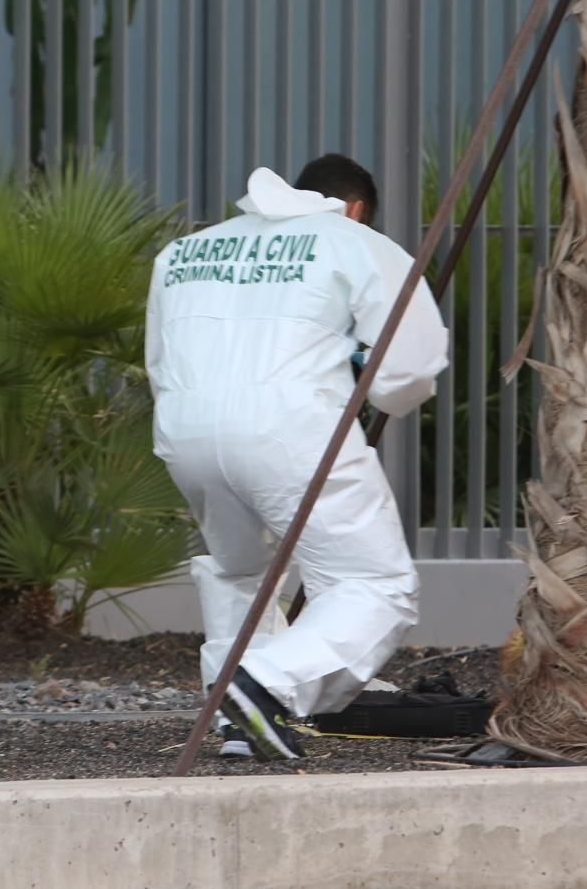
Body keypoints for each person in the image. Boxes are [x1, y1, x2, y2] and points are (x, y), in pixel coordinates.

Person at [145, 155, 450, 761]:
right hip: (292, 430)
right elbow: (408, 367)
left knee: (240, 572)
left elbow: (161, 356)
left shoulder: (186, 251)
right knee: (375, 585)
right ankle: (266, 686)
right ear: (356, 207)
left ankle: (237, 721)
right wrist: (378, 384)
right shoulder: (355, 242)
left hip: (186, 431)